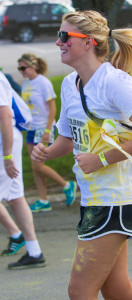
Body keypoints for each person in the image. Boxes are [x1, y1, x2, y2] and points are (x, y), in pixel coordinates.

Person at [31, 10, 132, 299]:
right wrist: (46, 153)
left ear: (89, 42)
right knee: (120, 292)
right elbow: (68, 140)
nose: (59, 43)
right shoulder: (70, 84)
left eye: (64, 36)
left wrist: (101, 159)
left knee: (80, 291)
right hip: (95, 198)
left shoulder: (114, 82)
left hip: (116, 199)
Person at [17, 53, 77, 211]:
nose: (21, 71)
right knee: (35, 165)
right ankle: (43, 200)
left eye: (23, 67)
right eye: (19, 68)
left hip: (43, 127)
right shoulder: (25, 84)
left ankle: (67, 185)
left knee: (38, 165)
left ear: (33, 66)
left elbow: (53, 107)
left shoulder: (43, 82)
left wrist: (48, 129)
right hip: (31, 128)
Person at [0, 70, 46, 269]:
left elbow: (5, 115)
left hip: (4, 145)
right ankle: (34, 251)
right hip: (6, 145)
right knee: (16, 197)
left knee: (15, 197)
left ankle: (22, 240)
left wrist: (8, 155)